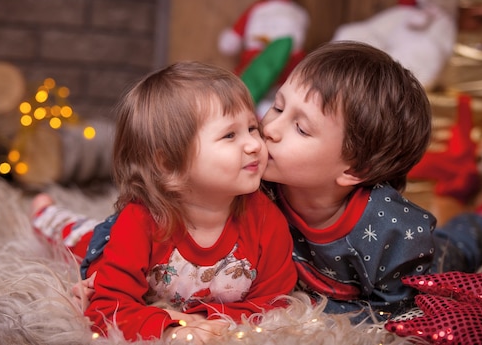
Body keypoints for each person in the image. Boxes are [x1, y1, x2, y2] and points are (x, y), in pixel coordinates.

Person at [41, 41, 482, 324]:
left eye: (301, 128)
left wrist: (317, 312)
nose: (271, 129)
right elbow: (142, 215)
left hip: (430, 258)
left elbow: (397, 314)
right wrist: (101, 268)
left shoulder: (396, 232)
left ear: (353, 170)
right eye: (278, 106)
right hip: (309, 282)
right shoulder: (255, 184)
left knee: (461, 245)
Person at [31, 61, 297, 343]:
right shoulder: (140, 221)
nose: (255, 144)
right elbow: (108, 308)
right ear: (169, 164)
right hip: (113, 239)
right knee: (79, 236)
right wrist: (169, 327)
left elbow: (274, 302)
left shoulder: (266, 219)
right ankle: (44, 213)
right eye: (230, 135)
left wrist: (208, 318)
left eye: (252, 128)